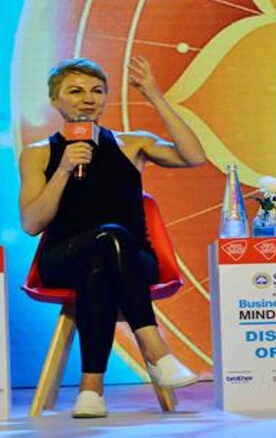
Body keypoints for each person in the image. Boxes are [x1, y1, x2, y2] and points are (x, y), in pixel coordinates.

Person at [19, 57, 207, 417]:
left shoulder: (132, 144)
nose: (88, 99)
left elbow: (194, 156)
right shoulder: (39, 154)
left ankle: (92, 389)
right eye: (75, 91)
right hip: (63, 259)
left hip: (134, 261)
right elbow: (31, 223)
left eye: (97, 91)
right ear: (55, 100)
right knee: (106, 243)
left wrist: (154, 95)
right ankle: (156, 350)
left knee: (103, 265)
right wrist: (63, 170)